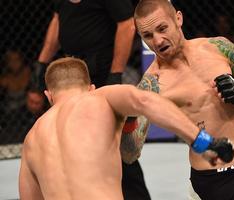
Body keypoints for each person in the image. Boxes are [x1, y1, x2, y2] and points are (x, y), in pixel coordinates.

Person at [19, 57, 234, 199]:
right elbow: (146, 102)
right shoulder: (99, 98)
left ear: (48, 96)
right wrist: (202, 141)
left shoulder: (31, 139)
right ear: (91, 87)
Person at [128, 0, 234, 199]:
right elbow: (130, 153)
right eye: (148, 36)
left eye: (162, 28)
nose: (157, 41)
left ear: (178, 18)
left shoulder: (218, 47)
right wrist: (128, 119)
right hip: (210, 182)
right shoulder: (152, 85)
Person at [32, 0, 149, 199]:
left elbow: (127, 24)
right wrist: (42, 60)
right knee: (76, 141)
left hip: (102, 73)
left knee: (113, 144)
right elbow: (58, 20)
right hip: (74, 74)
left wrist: (116, 73)